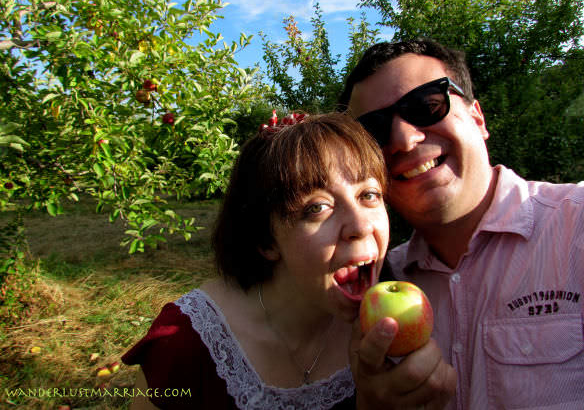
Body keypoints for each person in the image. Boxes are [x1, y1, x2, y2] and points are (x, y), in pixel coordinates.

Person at [122, 112, 455, 409]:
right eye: (317, 208)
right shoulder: (186, 345)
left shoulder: (395, 332)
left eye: (368, 195)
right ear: (266, 240)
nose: (360, 225)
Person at [339, 38, 584, 409]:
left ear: (477, 117)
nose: (404, 139)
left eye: (426, 104)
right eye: (374, 131)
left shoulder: (576, 225)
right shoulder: (381, 279)